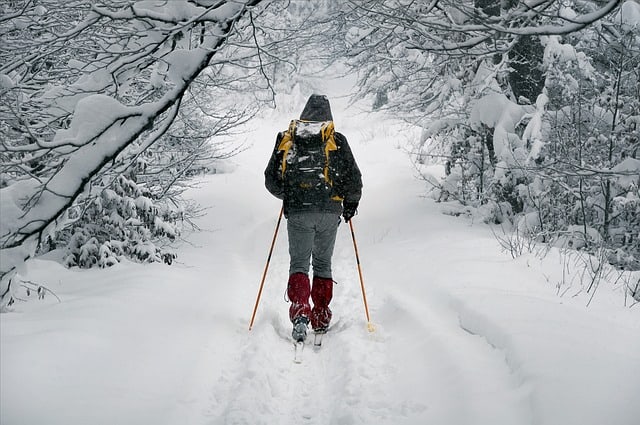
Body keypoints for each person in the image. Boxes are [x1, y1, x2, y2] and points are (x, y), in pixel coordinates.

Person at [264, 94, 362, 342]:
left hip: (298, 212)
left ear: (305, 113)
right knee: (322, 263)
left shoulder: (288, 139)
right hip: (330, 212)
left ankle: (299, 314)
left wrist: (289, 195)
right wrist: (350, 205)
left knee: (299, 264)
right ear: (329, 116)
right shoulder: (336, 140)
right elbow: (354, 179)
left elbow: (270, 179)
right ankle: (320, 315)